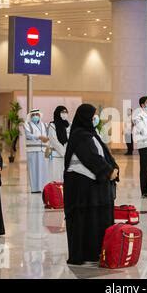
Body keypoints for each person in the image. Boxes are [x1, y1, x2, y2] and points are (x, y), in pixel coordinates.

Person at [63, 104, 119, 265]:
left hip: (94, 186)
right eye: (93, 116)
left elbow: (104, 155)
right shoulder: (80, 136)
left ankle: (97, 251)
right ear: (85, 117)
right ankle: (86, 253)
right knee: (85, 221)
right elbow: (91, 158)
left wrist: (114, 168)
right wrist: (108, 172)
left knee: (97, 220)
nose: (95, 119)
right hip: (82, 188)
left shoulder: (92, 134)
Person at [24, 108, 49, 193]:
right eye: (33, 115)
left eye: (36, 115)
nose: (35, 116)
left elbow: (48, 136)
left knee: (43, 169)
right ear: (30, 116)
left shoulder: (44, 125)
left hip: (43, 150)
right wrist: (39, 137)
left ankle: (42, 188)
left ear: (39, 115)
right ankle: (34, 189)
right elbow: (28, 135)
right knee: (33, 169)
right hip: (32, 150)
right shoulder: (27, 124)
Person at [47, 106, 70, 182]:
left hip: (65, 156)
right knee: (55, 176)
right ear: (58, 113)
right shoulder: (52, 125)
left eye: (66, 112)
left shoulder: (68, 125)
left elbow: (69, 140)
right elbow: (54, 141)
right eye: (62, 112)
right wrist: (64, 152)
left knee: (64, 177)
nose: (65, 114)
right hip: (55, 155)